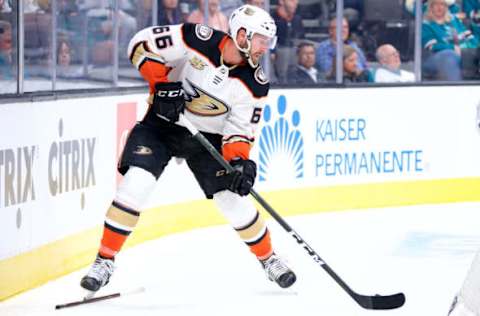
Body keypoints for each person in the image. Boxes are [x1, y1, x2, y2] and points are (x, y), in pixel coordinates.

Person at [80, 4, 297, 294]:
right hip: (162, 125)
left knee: (231, 201)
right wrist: (160, 85)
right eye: (261, 40)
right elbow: (139, 44)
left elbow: (239, 131)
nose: (265, 48)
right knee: (136, 185)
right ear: (242, 35)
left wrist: (240, 163)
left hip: (208, 139)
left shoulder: (255, 84)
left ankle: (269, 259)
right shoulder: (196, 38)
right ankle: (103, 261)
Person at [422, 0, 480, 81]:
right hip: (436, 58)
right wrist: (453, 47)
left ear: (446, 7)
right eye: (436, 4)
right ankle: (456, 90)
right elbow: (433, 46)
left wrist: (472, 47)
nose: (439, 7)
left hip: (463, 55)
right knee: (450, 55)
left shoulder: (454, 20)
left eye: (442, 4)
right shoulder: (426, 25)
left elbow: (471, 39)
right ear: (430, 7)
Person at [271, 0, 305, 84]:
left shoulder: (297, 19)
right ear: (281, 1)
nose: (296, 2)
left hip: (294, 54)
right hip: (278, 55)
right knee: (284, 52)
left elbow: (301, 39)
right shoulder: (271, 19)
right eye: (292, 0)